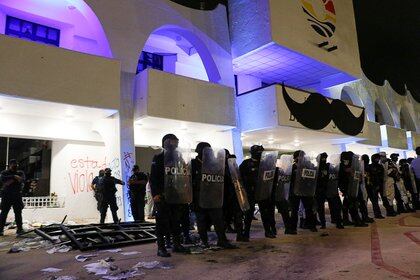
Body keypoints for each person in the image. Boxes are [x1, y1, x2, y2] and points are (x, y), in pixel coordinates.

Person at [150, 134, 190, 257]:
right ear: (166, 143)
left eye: (176, 142)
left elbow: (183, 175)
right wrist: (155, 194)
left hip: (176, 195)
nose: (175, 144)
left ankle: (176, 245)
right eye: (172, 142)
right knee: (161, 223)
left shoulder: (178, 157)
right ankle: (161, 248)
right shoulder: (158, 157)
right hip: (162, 195)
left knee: (176, 221)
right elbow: (153, 178)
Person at [192, 142, 236, 249]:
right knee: (201, 221)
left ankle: (222, 240)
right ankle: (204, 241)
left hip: (213, 197)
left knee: (218, 220)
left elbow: (221, 178)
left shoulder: (213, 163)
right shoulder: (193, 164)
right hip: (199, 197)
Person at [289, 150, 317, 233]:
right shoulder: (292, 168)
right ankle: (293, 228)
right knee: (294, 210)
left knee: (308, 209)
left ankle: (311, 226)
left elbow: (312, 178)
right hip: (295, 192)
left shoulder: (307, 166)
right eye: (300, 156)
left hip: (305, 191)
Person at [339, 152, 367, 227]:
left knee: (347, 204)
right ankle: (356, 221)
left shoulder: (349, 165)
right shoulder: (343, 166)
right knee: (352, 205)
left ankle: (346, 220)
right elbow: (343, 177)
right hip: (348, 187)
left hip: (352, 187)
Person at [0, 159, 25, 236]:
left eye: (16, 165)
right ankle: (0, 230)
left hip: (17, 195)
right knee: (4, 214)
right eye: (13, 165)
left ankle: (20, 229)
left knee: (18, 213)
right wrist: (14, 176)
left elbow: (22, 180)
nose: (15, 166)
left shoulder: (20, 172)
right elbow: (2, 179)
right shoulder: (4, 173)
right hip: (6, 195)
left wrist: (13, 179)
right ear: (10, 165)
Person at [358, 155, 374, 223]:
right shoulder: (360, 166)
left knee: (364, 202)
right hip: (363, 186)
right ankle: (364, 217)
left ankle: (365, 216)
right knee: (363, 202)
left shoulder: (362, 166)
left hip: (365, 186)